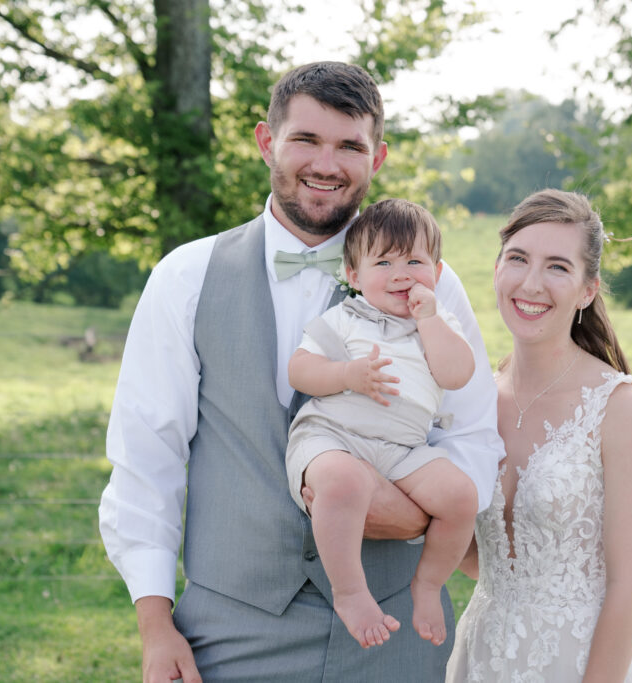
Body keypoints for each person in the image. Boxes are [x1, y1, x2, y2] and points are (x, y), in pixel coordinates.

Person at [98, 62, 504, 682]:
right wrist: (155, 626)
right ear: (267, 142)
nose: (327, 163)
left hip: (396, 627)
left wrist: (415, 514)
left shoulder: (432, 283)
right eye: (306, 140)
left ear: (378, 157)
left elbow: (472, 433)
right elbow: (145, 457)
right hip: (231, 630)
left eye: (350, 145)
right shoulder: (186, 276)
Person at [445, 189, 632, 683]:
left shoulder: (622, 407)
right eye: (518, 259)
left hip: (584, 664)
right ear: (496, 270)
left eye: (557, 267)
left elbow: (630, 585)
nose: (531, 283)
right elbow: (476, 559)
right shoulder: (471, 402)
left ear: (587, 290)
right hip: (482, 657)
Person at [286, 198, 478, 650]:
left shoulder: (438, 323)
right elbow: (300, 368)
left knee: (460, 497)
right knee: (346, 481)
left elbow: (456, 375)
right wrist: (346, 375)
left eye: (415, 260)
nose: (401, 273)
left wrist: (428, 319)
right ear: (353, 276)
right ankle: (350, 593)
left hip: (403, 448)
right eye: (384, 262)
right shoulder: (346, 318)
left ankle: (427, 585)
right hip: (334, 434)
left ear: (438, 270)